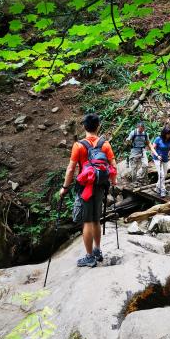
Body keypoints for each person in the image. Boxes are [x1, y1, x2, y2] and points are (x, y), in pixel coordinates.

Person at [60, 113, 117, 268]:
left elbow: (71, 169)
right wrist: (113, 182)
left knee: (87, 221)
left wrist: (65, 188)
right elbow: (113, 165)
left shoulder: (79, 146)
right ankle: (97, 251)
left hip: (85, 187)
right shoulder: (105, 144)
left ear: (84, 126)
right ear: (98, 126)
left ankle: (89, 257)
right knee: (96, 219)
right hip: (100, 186)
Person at [152, 125, 170, 197]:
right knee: (161, 175)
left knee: (164, 175)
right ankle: (162, 190)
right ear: (164, 133)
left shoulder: (169, 140)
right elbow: (152, 148)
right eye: (168, 134)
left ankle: (157, 187)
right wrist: (157, 155)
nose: (169, 135)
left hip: (165, 159)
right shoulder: (158, 139)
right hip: (157, 159)